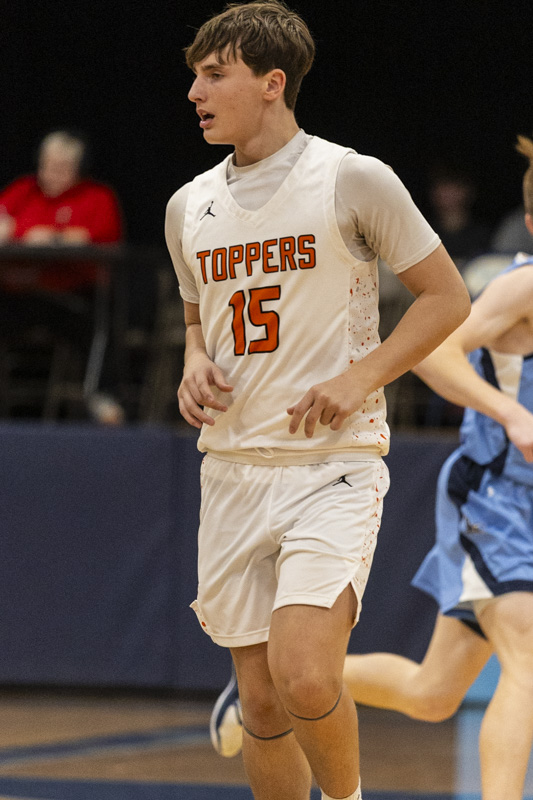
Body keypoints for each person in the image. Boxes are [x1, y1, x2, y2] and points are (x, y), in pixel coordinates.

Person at [164, 3, 470, 799]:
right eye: (194, 76)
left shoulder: (350, 177)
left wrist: (360, 376)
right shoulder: (187, 205)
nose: (195, 92)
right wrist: (192, 360)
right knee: (262, 703)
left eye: (214, 75)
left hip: (331, 462)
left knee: (304, 677)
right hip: (232, 466)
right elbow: (198, 319)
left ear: (272, 83)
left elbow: (446, 298)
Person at [342, 134, 533, 800]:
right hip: (498, 498)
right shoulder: (523, 286)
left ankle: (287, 682)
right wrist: (509, 414)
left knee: (432, 694)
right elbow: (433, 351)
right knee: (528, 659)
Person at [0, 130, 124, 423]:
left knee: (102, 319)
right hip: (18, 297)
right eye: (47, 165)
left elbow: (98, 239)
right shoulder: (23, 190)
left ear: (78, 169)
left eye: (61, 167)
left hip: (72, 298)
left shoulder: (97, 197)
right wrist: (27, 234)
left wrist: (48, 236)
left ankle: (100, 397)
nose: (51, 174)